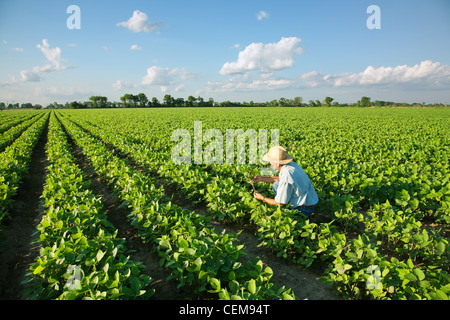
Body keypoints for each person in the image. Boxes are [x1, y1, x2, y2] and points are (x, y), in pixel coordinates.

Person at [253, 146, 318, 219]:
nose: (270, 163)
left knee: (278, 219)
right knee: (276, 185)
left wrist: (263, 198)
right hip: (309, 200)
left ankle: (299, 215)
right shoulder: (292, 165)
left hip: (303, 209)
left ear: (276, 162)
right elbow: (281, 179)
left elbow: (279, 203)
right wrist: (261, 178)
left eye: (271, 161)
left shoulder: (286, 174)